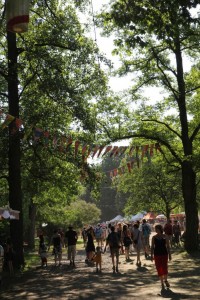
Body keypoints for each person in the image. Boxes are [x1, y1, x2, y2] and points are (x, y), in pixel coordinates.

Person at [151, 224, 171, 290]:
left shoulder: (165, 236)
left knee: (164, 267)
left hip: (164, 254)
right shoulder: (154, 237)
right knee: (159, 268)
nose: (155, 230)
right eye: (155, 229)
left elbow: (168, 246)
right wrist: (151, 255)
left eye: (156, 229)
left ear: (160, 229)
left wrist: (170, 254)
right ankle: (162, 282)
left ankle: (165, 280)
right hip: (156, 254)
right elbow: (152, 247)